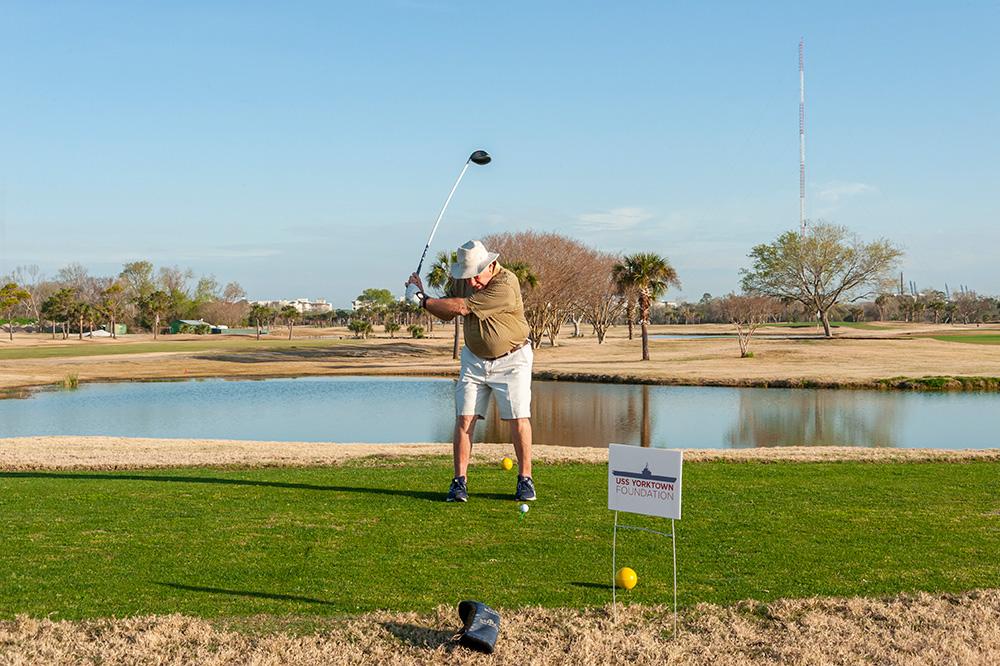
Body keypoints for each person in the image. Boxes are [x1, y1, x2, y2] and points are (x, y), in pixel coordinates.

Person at [406, 239, 536, 503]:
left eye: (476, 276)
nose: (472, 282)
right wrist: (421, 292)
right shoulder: (465, 280)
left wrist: (421, 300)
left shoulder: (506, 283)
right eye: (468, 277)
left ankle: (525, 480)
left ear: (492, 265)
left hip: (512, 360)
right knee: (464, 418)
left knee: (518, 418)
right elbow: (446, 312)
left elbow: (464, 307)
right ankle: (459, 483)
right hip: (474, 361)